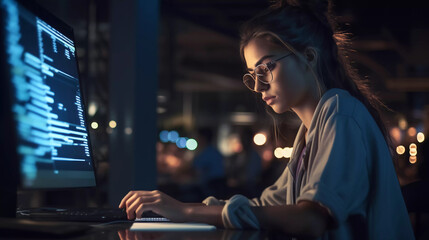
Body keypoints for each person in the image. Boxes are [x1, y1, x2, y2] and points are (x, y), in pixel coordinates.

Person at [119, 0, 415, 239]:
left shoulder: (339, 111)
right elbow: (270, 205)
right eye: (253, 75)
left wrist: (185, 213)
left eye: (266, 68)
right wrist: (177, 208)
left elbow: (310, 218)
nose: (259, 86)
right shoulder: (309, 134)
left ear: (308, 57)